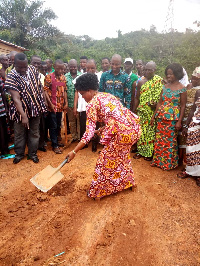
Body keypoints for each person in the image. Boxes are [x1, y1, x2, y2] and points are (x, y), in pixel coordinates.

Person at [66, 73, 141, 199]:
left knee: (104, 161)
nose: (82, 97)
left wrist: (74, 151)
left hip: (122, 133)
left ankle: (98, 191)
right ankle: (129, 182)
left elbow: (88, 133)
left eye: (83, 94)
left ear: (90, 91)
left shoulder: (91, 104)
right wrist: (100, 130)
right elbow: (117, 118)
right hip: (134, 129)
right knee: (122, 156)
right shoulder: (107, 96)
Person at [4, 53, 47, 164]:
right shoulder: (11, 76)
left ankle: (32, 153)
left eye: (25, 66)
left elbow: (39, 87)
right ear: (14, 64)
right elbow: (16, 98)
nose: (23, 69)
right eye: (20, 67)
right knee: (19, 133)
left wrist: (43, 102)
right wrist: (23, 116)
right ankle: (19, 154)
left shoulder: (32, 69)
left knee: (34, 132)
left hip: (35, 107)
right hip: (20, 111)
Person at [151, 63, 186, 170]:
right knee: (160, 140)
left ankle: (168, 164)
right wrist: (154, 116)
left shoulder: (182, 88)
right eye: (167, 74)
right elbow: (160, 103)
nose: (168, 76)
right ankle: (157, 161)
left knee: (170, 142)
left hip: (173, 120)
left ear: (177, 74)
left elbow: (183, 106)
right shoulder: (164, 87)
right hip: (161, 117)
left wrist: (179, 121)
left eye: (171, 74)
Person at [133, 61, 163, 160]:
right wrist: (134, 111)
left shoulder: (159, 81)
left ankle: (149, 153)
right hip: (142, 111)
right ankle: (140, 151)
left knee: (150, 133)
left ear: (155, 70)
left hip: (153, 112)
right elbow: (137, 98)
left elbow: (161, 98)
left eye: (149, 70)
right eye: (145, 69)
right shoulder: (140, 82)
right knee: (141, 132)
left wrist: (155, 105)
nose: (147, 72)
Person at [177, 67, 200, 186]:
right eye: (193, 78)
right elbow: (192, 109)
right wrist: (186, 125)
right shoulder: (195, 90)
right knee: (191, 148)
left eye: (196, 79)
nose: (193, 80)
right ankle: (190, 171)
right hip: (194, 122)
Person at [44, 59, 68, 154]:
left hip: (60, 106)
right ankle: (54, 145)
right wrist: (50, 104)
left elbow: (64, 90)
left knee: (58, 124)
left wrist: (65, 103)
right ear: (54, 67)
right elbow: (45, 91)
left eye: (62, 69)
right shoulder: (49, 77)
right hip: (52, 107)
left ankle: (57, 141)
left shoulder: (63, 78)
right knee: (53, 126)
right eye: (59, 69)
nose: (61, 71)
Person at [30, 55, 47, 152]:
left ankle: (40, 145)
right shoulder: (26, 74)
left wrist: (44, 104)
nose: (36, 65)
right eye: (34, 63)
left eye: (38, 63)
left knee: (41, 126)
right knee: (31, 128)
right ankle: (32, 148)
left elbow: (43, 91)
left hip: (40, 105)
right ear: (30, 62)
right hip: (30, 106)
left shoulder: (41, 76)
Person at [65, 59, 81, 142]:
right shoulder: (65, 77)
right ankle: (74, 136)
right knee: (72, 121)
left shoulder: (81, 76)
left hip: (80, 104)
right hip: (69, 103)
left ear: (77, 66)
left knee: (79, 121)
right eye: (71, 66)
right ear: (68, 67)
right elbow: (64, 90)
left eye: (74, 66)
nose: (73, 68)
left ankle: (79, 137)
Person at [0, 78, 9, 156]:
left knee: (3, 130)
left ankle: (4, 149)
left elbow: (2, 92)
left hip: (1, 109)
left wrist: (6, 107)